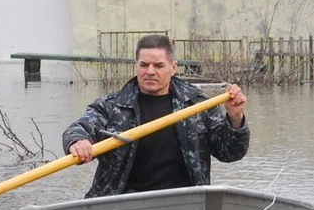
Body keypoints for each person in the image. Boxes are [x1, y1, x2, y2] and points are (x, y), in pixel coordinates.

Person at [62, 34, 249, 199]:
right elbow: (80, 127)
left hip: (187, 203)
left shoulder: (198, 105)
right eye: (144, 65)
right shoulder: (112, 105)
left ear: (173, 67)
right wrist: (78, 142)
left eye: (158, 65)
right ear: (136, 66)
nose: (150, 71)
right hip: (122, 203)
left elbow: (230, 153)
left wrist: (234, 117)